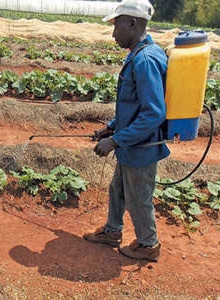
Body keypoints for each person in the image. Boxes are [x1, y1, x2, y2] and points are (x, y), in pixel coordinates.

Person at [83, 0, 170, 262]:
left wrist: (116, 141)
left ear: (133, 23)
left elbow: (153, 113)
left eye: (116, 27)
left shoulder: (145, 59)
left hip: (140, 147)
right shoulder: (139, 54)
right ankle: (112, 231)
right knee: (118, 189)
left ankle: (148, 245)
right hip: (131, 144)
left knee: (138, 198)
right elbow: (133, 105)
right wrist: (110, 127)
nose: (113, 34)